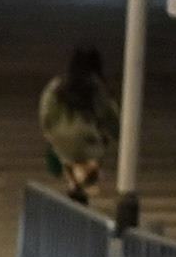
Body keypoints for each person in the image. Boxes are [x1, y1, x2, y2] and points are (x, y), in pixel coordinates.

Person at [38, 42, 121, 208]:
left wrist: (49, 132)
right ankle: (84, 181)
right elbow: (109, 116)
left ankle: (74, 181)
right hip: (86, 142)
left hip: (60, 139)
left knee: (67, 152)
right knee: (97, 144)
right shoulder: (96, 88)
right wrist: (119, 135)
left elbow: (45, 113)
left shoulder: (56, 86)